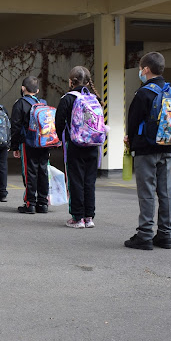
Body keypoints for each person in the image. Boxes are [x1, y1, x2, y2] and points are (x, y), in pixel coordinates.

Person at [124, 52, 171, 250]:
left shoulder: (144, 93)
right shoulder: (169, 90)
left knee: (146, 192)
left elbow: (134, 120)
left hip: (146, 148)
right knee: (165, 192)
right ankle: (165, 235)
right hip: (167, 146)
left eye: (140, 68)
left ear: (145, 69)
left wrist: (130, 139)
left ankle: (144, 234)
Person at [55, 66, 100, 228]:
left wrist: (61, 139)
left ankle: (77, 217)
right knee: (89, 181)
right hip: (94, 145)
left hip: (74, 145)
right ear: (88, 82)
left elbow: (59, 123)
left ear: (71, 81)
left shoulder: (67, 99)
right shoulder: (95, 98)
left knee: (75, 181)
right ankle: (89, 217)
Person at [11, 76, 50, 214]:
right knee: (43, 171)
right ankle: (43, 203)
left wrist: (15, 146)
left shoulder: (20, 104)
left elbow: (15, 127)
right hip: (44, 143)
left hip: (28, 143)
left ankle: (30, 203)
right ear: (37, 90)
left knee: (30, 172)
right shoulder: (43, 103)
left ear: (23, 88)